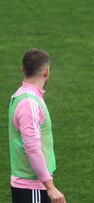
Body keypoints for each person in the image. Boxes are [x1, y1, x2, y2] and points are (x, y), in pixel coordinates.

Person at [8, 49, 66, 203]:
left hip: (31, 185)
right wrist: (50, 187)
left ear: (23, 70)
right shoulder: (29, 103)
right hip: (31, 187)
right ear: (46, 72)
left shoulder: (21, 95)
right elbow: (32, 148)